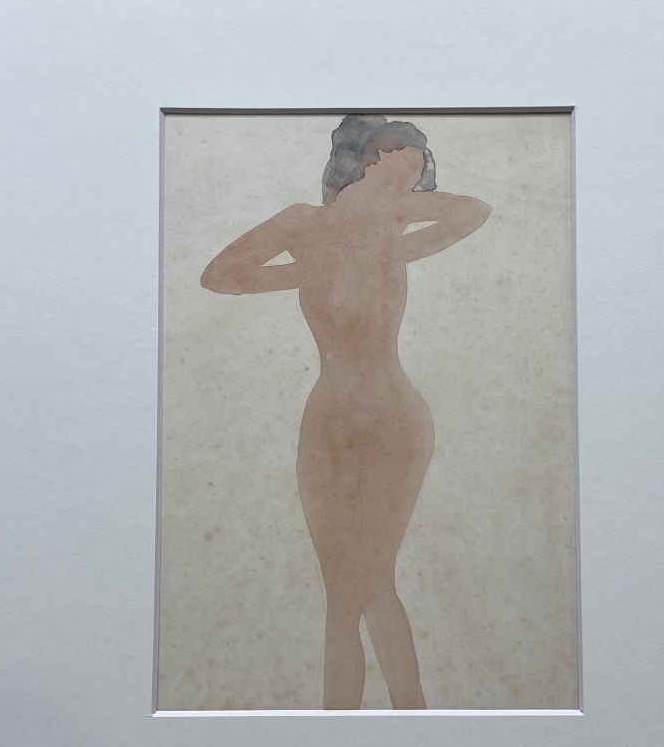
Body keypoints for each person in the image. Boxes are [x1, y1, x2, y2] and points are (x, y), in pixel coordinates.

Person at [201, 116, 491, 708]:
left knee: (373, 582)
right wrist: (312, 269)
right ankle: (340, 731)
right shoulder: (302, 223)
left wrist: (396, 248)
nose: (419, 169)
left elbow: (473, 211)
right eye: (410, 156)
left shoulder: (395, 216)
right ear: (371, 158)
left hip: (393, 419)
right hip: (328, 424)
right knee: (340, 596)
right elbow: (220, 275)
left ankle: (412, 719)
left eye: (421, 162)